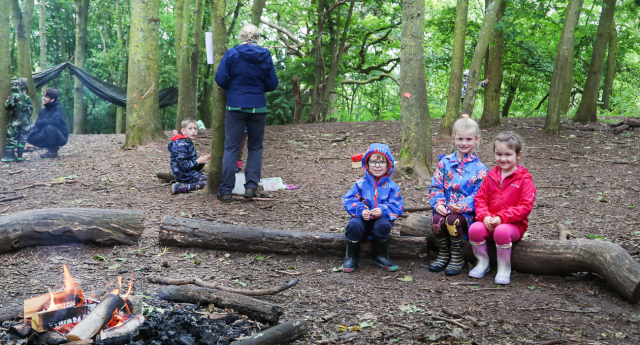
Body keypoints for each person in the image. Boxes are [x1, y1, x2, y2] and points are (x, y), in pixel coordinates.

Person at [214, 23, 279, 202]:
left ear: (241, 37)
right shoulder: (265, 54)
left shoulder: (232, 53)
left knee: (231, 148)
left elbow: (220, 79)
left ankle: (226, 190)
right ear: (257, 38)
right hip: (258, 107)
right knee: (255, 147)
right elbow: (273, 84)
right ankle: (250, 187)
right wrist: (258, 89)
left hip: (235, 106)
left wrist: (233, 88)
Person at [469, 132, 536, 284]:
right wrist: (485, 216)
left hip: (513, 226)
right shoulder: (491, 175)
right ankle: (483, 262)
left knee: (501, 230)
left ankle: (504, 267)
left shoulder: (524, 179)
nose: (503, 159)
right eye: (499, 154)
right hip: (490, 222)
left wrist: (502, 218)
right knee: (474, 229)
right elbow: (480, 198)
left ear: (518, 155)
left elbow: (525, 207)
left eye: (508, 154)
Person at [428, 116, 488, 276]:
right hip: (446, 209)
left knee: (453, 220)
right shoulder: (445, 163)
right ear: (454, 138)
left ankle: (457, 256)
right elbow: (436, 186)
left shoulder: (480, 169)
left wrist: (462, 207)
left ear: (476, 140)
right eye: (460, 138)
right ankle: (444, 253)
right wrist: (439, 203)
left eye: (468, 139)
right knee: (436, 220)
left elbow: (480, 194)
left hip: (465, 214)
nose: (464, 143)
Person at [341, 143, 404, 272]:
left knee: (383, 225)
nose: (377, 166)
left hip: (382, 219)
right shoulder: (360, 184)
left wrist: (383, 210)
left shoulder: (392, 187)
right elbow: (349, 199)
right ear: (367, 164)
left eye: (381, 162)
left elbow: (397, 205)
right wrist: (360, 210)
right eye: (373, 162)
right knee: (353, 226)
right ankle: (351, 256)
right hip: (361, 219)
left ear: (389, 165)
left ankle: (381, 255)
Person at [168, 118, 211, 194]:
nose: (193, 131)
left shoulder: (188, 143)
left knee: (212, 178)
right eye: (190, 129)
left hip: (190, 173)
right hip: (184, 175)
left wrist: (202, 161)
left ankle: (185, 185)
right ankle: (181, 188)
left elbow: (195, 167)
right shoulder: (181, 145)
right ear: (183, 131)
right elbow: (182, 166)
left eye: (195, 129)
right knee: (210, 182)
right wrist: (198, 161)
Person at [27, 88, 68, 159]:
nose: (43, 98)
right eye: (43, 96)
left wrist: (36, 123)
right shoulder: (43, 111)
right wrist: (32, 131)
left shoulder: (58, 108)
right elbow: (38, 127)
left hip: (61, 137)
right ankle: (52, 147)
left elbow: (55, 121)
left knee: (49, 126)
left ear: (52, 99)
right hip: (48, 135)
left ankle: (53, 151)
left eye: (46, 97)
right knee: (28, 137)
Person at [2, 78, 33, 162]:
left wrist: (8, 99)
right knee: (22, 139)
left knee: (11, 137)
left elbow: (7, 107)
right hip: (25, 121)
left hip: (15, 120)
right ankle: (19, 157)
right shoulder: (27, 97)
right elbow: (30, 110)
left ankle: (9, 157)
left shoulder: (14, 96)